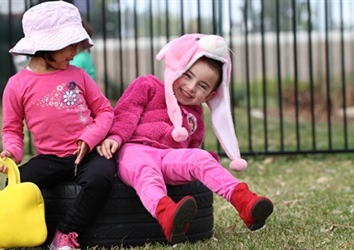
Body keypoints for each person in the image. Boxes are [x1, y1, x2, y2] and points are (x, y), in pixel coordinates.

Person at [97, 33, 274, 245]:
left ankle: (245, 201)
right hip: (136, 150)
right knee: (146, 171)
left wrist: (200, 162)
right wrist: (116, 136)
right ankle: (167, 214)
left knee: (200, 157)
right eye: (188, 76)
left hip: (170, 157)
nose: (191, 87)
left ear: (210, 96)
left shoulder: (195, 116)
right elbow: (127, 112)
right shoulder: (149, 85)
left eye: (202, 86)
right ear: (177, 68)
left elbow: (191, 147)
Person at [0, 2, 116, 249]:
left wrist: (91, 138)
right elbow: (11, 129)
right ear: (46, 45)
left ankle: (65, 234)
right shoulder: (16, 85)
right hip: (50, 158)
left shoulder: (78, 75)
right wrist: (12, 152)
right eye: (70, 45)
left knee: (101, 177)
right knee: (16, 184)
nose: (75, 51)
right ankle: (30, 236)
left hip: (86, 154)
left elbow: (105, 111)